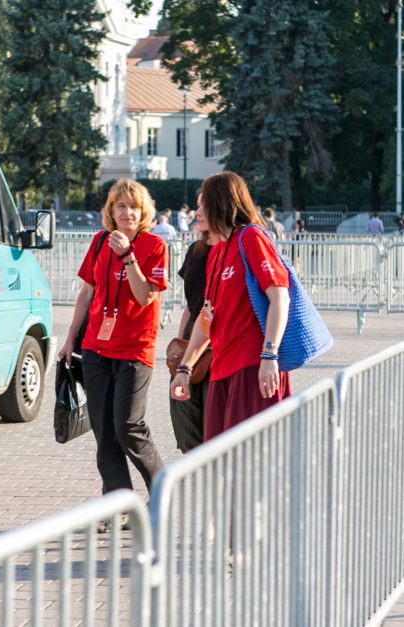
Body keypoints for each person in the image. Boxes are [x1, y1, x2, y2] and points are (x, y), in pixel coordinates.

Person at [59, 179, 167, 520]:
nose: (127, 212)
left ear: (143, 211)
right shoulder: (98, 241)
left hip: (135, 349)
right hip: (96, 350)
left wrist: (127, 256)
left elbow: (145, 295)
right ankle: (121, 507)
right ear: (111, 211)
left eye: (133, 207)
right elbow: (87, 292)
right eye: (120, 206)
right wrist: (70, 337)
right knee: (105, 436)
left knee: (128, 427)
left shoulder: (154, 245)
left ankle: (163, 492)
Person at [170, 171, 291, 439]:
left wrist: (270, 355)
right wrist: (185, 368)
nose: (197, 212)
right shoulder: (215, 251)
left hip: (252, 368)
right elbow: (207, 317)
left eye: (204, 205)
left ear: (222, 205)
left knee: (252, 463)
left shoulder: (251, 238)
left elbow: (280, 297)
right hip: (221, 371)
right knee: (223, 461)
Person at [168, 215, 211, 453]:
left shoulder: (235, 250)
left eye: (206, 206)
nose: (199, 213)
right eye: (198, 207)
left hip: (221, 336)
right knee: (184, 413)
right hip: (194, 330)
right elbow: (190, 303)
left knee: (214, 421)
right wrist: (182, 343)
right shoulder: (196, 249)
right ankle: (195, 469)